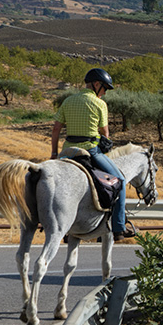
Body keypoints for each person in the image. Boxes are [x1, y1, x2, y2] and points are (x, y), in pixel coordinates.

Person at [50, 67, 138, 240]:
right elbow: (105, 133)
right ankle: (119, 227)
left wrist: (54, 153)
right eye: (105, 88)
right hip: (90, 150)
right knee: (119, 181)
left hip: (67, 151)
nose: (104, 93)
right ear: (96, 84)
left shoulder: (68, 101)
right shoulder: (99, 104)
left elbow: (55, 130)